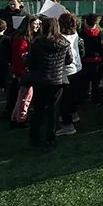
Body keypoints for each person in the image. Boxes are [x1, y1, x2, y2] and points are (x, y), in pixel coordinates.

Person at [23, 17, 73, 149]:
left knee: (38, 109)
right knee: (53, 110)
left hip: (40, 79)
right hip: (57, 80)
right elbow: (69, 60)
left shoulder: (37, 42)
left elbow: (30, 62)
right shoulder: (64, 42)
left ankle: (35, 138)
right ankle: (50, 138)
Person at [8, 15, 40, 127]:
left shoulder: (24, 38)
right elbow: (20, 58)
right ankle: (21, 119)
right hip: (23, 71)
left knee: (23, 95)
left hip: (23, 71)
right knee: (26, 96)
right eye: (35, 24)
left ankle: (15, 117)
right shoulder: (21, 40)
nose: (37, 26)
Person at [56, 12, 84, 136]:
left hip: (66, 71)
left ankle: (68, 125)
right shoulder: (75, 33)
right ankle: (74, 115)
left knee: (64, 99)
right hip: (77, 68)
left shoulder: (61, 37)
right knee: (72, 95)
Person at [78, 13, 103, 103]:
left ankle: (83, 97)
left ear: (85, 22)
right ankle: (95, 98)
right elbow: (102, 48)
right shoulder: (99, 34)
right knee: (96, 82)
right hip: (96, 61)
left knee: (84, 82)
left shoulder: (81, 34)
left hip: (84, 61)